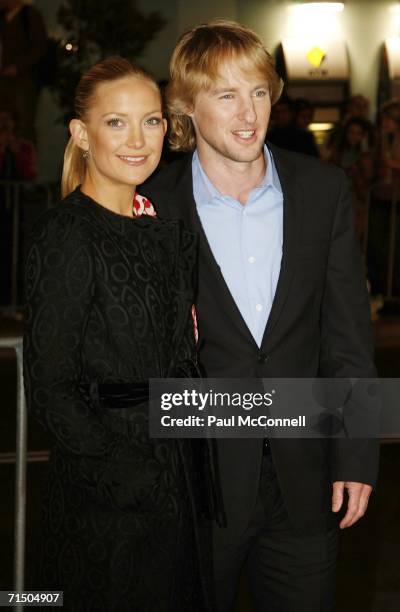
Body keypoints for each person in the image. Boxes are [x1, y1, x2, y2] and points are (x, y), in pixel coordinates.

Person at [141, 20, 379, 612]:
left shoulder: (323, 190)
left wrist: (357, 452)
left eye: (258, 92)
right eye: (226, 95)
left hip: (307, 484)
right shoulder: (152, 205)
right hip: (195, 487)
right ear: (186, 108)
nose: (249, 114)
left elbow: (347, 336)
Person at [23, 56, 215, 611]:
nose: (138, 139)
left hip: (179, 475)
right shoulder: (67, 235)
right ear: (81, 134)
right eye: (117, 122)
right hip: (105, 499)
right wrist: (123, 475)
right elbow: (50, 387)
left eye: (151, 121)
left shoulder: (163, 231)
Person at [0, 0, 47, 141]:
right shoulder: (3, 16)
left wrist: (19, 67)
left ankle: (25, 159)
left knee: (24, 123)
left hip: (23, 80)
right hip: (3, 78)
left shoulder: (30, 16)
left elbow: (39, 47)